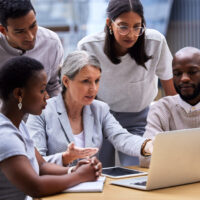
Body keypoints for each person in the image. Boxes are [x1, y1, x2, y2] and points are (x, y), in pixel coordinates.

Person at [77, 0, 176, 166]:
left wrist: (175, 128)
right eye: (123, 26)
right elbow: (79, 92)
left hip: (139, 119)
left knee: (137, 170)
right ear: (109, 24)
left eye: (137, 26)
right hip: (101, 120)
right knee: (100, 172)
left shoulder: (155, 42)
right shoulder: (88, 46)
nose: (131, 34)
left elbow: (170, 91)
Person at [26, 50, 153, 168]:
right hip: (57, 186)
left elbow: (121, 138)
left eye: (97, 81)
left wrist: (146, 146)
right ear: (66, 81)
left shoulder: (100, 109)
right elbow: (35, 161)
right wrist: (65, 158)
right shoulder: (41, 112)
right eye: (86, 81)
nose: (93, 88)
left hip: (92, 186)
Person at [0, 56, 102, 200]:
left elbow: (41, 166)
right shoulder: (5, 136)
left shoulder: (17, 125)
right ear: (19, 94)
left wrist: (73, 170)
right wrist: (80, 176)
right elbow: (36, 187)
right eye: (42, 90)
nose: (47, 96)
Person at [140, 47, 200, 168]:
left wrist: (169, 154)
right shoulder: (161, 108)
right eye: (177, 74)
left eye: (192, 72)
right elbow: (145, 157)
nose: (184, 78)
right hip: (175, 184)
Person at [0, 0, 63, 97]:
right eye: (20, 31)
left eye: (33, 26)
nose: (30, 37)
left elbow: (53, 86)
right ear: (3, 30)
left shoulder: (51, 42)